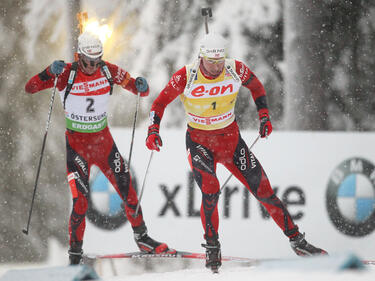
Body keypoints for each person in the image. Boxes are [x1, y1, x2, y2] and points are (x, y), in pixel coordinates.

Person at [145, 33, 327, 272]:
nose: (217, 67)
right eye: (212, 62)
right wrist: (152, 130)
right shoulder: (186, 76)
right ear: (201, 58)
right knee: (210, 191)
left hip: (231, 143)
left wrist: (264, 116)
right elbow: (159, 103)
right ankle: (212, 247)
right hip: (200, 143)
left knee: (265, 191)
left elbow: (257, 87)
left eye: (220, 61)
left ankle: (298, 241)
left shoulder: (234, 69)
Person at [25, 31, 175, 265]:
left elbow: (139, 90)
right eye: (88, 62)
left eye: (97, 61)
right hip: (77, 147)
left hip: (104, 144)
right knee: (81, 202)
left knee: (127, 189)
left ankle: (142, 237)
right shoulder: (66, 73)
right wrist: (47, 72)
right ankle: (75, 253)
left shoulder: (108, 70)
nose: (93, 66)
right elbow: (30, 87)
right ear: (79, 56)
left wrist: (140, 84)